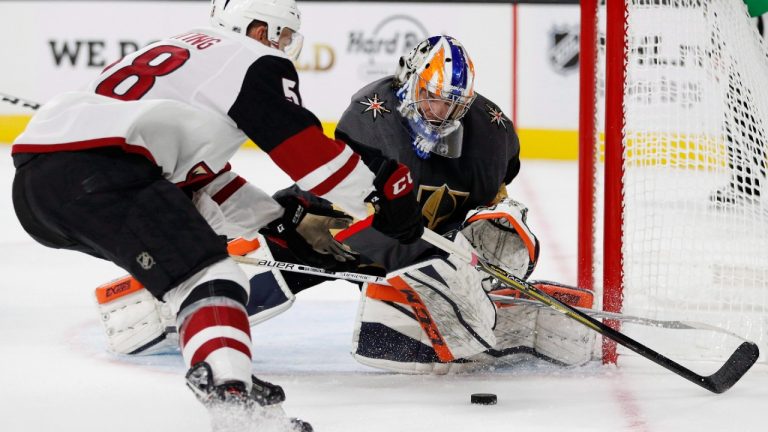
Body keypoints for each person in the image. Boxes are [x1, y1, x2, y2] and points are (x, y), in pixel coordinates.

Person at [10, 0, 423, 430]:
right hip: (101, 173)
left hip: (41, 190)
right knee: (209, 276)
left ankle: (229, 376)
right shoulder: (253, 58)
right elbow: (306, 153)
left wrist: (277, 219)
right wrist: (380, 195)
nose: (283, 47)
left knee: (193, 268)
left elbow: (200, 187)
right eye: (282, 36)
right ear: (261, 31)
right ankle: (232, 401)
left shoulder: (185, 53)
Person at [93, 35, 595, 376]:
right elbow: (353, 209)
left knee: (498, 235)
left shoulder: (491, 133)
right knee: (262, 267)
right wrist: (430, 266)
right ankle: (166, 299)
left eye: (451, 103)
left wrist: (484, 249)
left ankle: (482, 309)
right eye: (431, 97)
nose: (439, 112)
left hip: (425, 242)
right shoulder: (371, 116)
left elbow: (494, 197)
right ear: (411, 82)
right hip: (337, 232)